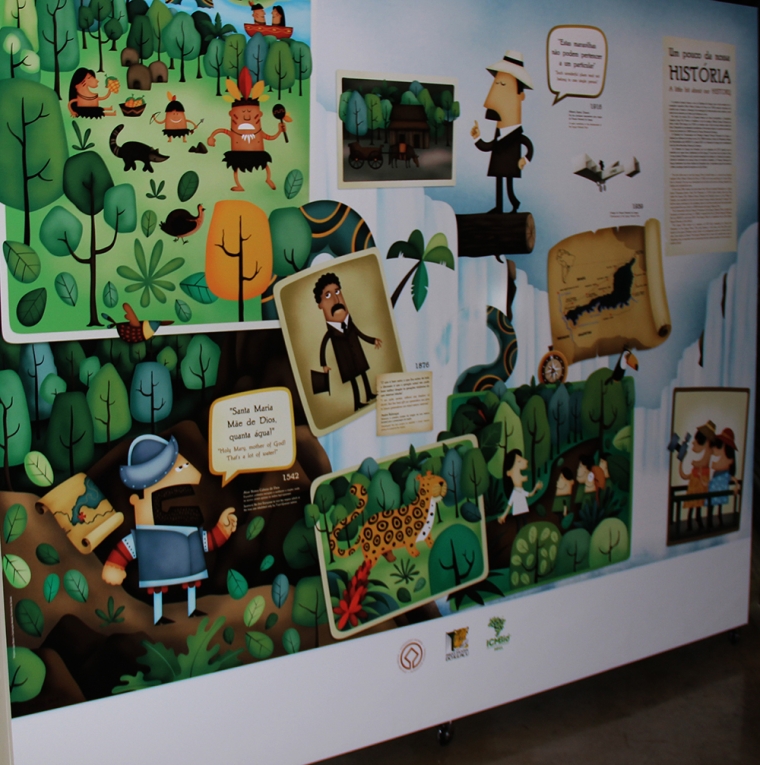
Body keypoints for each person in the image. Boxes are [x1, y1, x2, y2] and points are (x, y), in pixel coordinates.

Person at [101, 435, 238, 624]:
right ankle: (158, 616)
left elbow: (206, 542)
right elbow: (130, 546)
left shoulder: (188, 527)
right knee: (158, 589)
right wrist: (115, 564)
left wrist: (223, 529)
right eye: (180, 468)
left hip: (189, 571)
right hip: (157, 575)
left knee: (190, 584)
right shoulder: (147, 533)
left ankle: (191, 609)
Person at [471, 50, 533, 213]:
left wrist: (525, 159)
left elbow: (528, 145)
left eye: (503, 85)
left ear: (520, 96)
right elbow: (489, 146)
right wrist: (477, 138)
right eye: (496, 84)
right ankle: (499, 207)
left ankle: (513, 203)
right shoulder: (499, 133)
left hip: (510, 163)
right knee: (499, 182)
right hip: (499, 162)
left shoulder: (516, 135)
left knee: (508, 184)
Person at [315, 272, 382, 412]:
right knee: (353, 380)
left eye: (337, 292)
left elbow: (360, 334)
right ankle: (357, 403)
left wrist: (373, 340)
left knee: (363, 373)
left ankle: (369, 394)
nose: (336, 300)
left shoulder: (350, 324)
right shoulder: (331, 333)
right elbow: (323, 346)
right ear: (320, 305)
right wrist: (324, 364)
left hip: (357, 356)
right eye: (328, 295)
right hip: (346, 361)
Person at [207, 73, 286, 192]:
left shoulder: (258, 132)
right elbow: (222, 131)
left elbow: (270, 137)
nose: (247, 117)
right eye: (243, 113)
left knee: (265, 165)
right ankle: (239, 185)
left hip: (257, 153)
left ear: (259, 115)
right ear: (232, 115)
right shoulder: (234, 133)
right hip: (238, 153)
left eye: (250, 113)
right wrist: (212, 137)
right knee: (236, 168)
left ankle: (268, 179)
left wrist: (280, 131)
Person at [678, 420, 715, 529]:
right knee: (693, 501)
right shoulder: (707, 450)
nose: (694, 443)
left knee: (699, 501)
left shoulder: (709, 450)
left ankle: (697, 518)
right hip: (696, 477)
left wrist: (695, 463)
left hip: (702, 477)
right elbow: (685, 474)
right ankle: (690, 521)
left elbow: (703, 462)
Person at [708, 427, 741, 527]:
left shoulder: (727, 464)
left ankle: (717, 517)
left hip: (719, 488)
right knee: (712, 503)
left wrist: (736, 486)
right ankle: (712, 518)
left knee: (718, 503)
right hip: (714, 487)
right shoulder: (720, 462)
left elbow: (733, 478)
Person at [498, 449, 542, 525]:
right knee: (520, 523)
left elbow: (530, 494)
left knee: (524, 522)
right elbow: (509, 505)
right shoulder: (515, 493)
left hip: (523, 510)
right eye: (519, 461)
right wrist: (503, 516)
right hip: (518, 511)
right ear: (509, 473)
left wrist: (536, 487)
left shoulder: (520, 491)